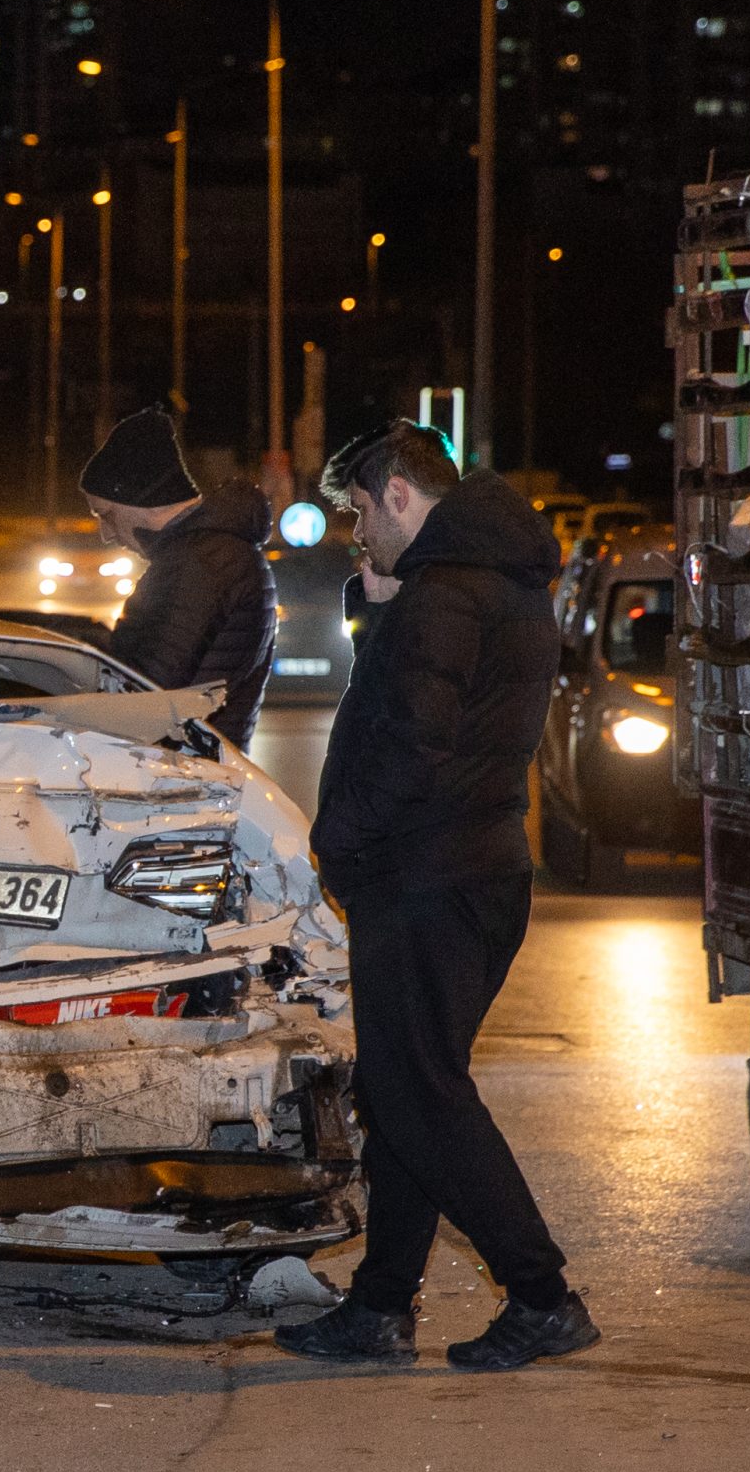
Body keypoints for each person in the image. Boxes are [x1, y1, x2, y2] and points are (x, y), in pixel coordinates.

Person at [276, 424, 597, 1372]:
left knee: (421, 1097)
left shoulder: (446, 597)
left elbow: (411, 739)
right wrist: (379, 605)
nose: (355, 532)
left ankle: (540, 1294)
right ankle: (379, 1307)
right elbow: (424, 701)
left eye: (360, 512)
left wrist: (337, 837)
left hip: (428, 878)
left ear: (401, 496)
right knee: (407, 1091)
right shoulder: (493, 583)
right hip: (475, 871)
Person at [80, 406, 275, 747]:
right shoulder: (212, 554)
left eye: (106, 514)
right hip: (197, 775)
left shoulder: (200, 562)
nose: (106, 534)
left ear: (137, 497)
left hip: (178, 781)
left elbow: (148, 693)